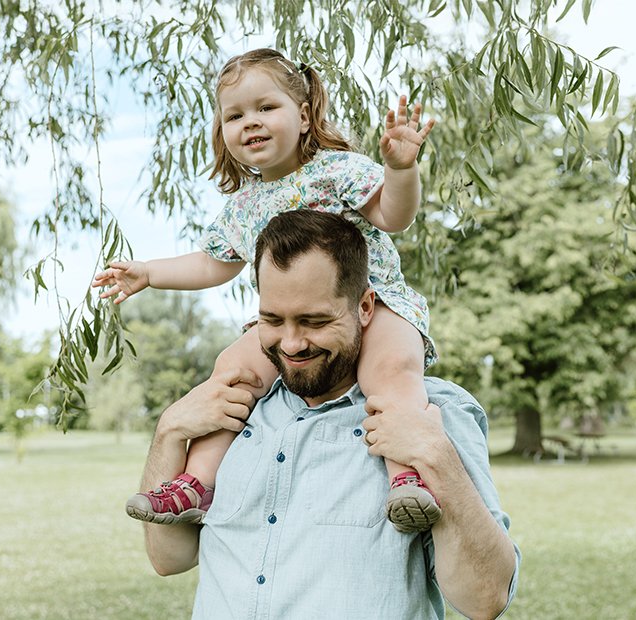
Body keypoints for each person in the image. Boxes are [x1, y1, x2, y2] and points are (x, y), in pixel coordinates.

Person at [92, 48, 441, 532]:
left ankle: (407, 478)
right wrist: (150, 272)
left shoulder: (337, 170)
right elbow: (213, 264)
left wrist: (401, 170)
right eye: (234, 115)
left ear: (302, 116)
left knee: (391, 369)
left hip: (373, 301)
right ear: (223, 132)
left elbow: (394, 217)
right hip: (286, 320)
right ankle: (196, 483)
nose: (249, 122)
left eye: (265, 108)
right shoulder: (244, 206)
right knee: (231, 371)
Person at [137, 209, 519, 619]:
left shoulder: (429, 413)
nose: (292, 343)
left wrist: (437, 458)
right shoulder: (228, 413)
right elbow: (168, 557)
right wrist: (170, 432)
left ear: (366, 307)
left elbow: (485, 599)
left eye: (314, 321)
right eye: (271, 319)